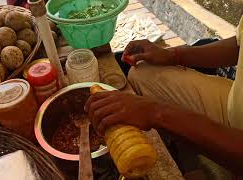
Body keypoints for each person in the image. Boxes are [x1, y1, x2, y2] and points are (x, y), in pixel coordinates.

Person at [85, 18, 243, 175]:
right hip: (234, 100)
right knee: (141, 71)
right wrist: (173, 55)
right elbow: (238, 45)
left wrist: (155, 112)